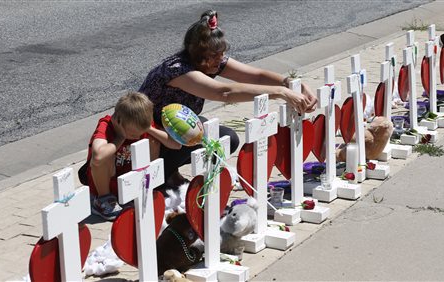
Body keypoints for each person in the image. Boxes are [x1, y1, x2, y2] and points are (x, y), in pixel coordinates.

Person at [139, 10, 317, 188]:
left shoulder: (210, 63)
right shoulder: (178, 70)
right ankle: (159, 178)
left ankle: (170, 172)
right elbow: (224, 93)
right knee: (196, 134)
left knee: (226, 139)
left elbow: (256, 76)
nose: (221, 59)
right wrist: (280, 92)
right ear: (199, 55)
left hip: (173, 126)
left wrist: (290, 83)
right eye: (215, 55)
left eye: (222, 53)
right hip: (146, 133)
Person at [84, 91, 181, 221]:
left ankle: (146, 187)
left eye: (140, 133)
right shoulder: (106, 126)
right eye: (132, 134)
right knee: (106, 155)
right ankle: (102, 200)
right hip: (108, 183)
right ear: (118, 121)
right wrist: (120, 137)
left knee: (154, 140)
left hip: (132, 182)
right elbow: (98, 157)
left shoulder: (139, 125)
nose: (136, 137)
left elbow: (176, 144)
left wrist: (149, 129)